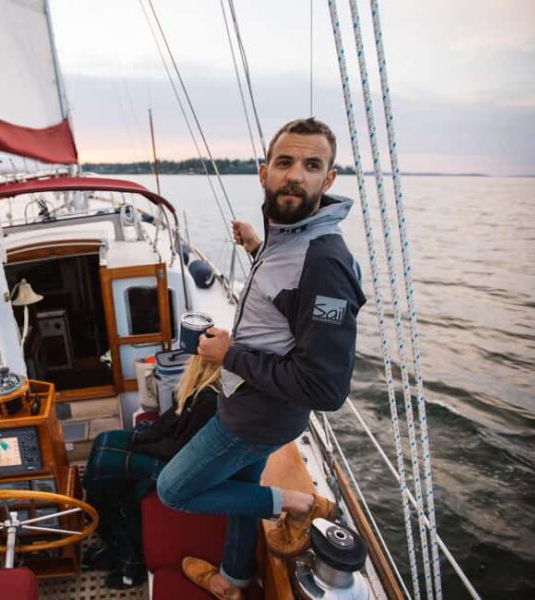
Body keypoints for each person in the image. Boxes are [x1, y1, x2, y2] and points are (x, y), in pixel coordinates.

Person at [156, 117, 367, 600]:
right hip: (252, 403)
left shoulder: (325, 263)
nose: (295, 175)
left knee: (174, 489)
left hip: (255, 418)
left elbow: (326, 388)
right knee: (240, 492)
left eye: (311, 165)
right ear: (264, 172)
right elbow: (285, 294)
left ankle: (298, 504)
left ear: (329, 179)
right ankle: (232, 581)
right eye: (285, 162)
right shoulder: (286, 235)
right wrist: (255, 246)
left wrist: (230, 354)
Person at [82, 355, 220, 589]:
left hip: (179, 464)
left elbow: (183, 448)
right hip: (170, 446)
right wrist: (146, 435)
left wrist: (143, 445)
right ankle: (108, 531)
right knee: (103, 441)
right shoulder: (198, 385)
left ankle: (130, 564)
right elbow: (173, 417)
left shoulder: (211, 399)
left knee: (104, 469)